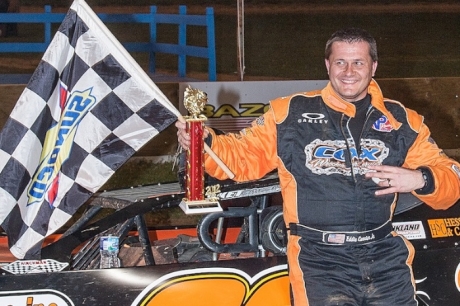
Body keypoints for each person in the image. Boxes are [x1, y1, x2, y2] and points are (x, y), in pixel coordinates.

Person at [176, 27, 460, 306]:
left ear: (373, 66)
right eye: (340, 62)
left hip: (385, 256)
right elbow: (239, 160)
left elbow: (452, 179)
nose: (349, 71)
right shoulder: (289, 114)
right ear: (327, 65)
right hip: (320, 261)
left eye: (358, 62)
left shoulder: (402, 121)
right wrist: (203, 142)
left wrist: (420, 179)